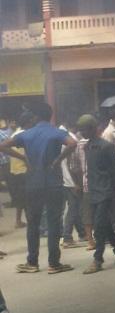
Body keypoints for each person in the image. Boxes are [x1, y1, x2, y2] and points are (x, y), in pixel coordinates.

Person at [0, 104, 77, 274]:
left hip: (33, 184)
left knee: (33, 223)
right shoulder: (56, 132)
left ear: (35, 117)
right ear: (50, 115)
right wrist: (58, 160)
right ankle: (54, 263)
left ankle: (32, 262)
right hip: (53, 183)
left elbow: (3, 145)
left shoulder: (26, 134)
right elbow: (72, 143)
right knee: (54, 222)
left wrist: (23, 157)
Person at [76, 115, 115, 273]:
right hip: (92, 191)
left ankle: (98, 260)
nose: (82, 132)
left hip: (106, 192)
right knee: (104, 225)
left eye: (84, 129)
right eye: (80, 130)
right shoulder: (87, 147)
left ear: (92, 128)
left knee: (98, 227)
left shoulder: (106, 146)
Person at [6, 116, 28, 229]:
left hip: (15, 169)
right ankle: (26, 220)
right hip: (23, 169)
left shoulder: (15, 134)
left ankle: (18, 220)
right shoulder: (23, 134)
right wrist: (23, 158)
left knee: (20, 197)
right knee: (28, 197)